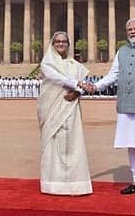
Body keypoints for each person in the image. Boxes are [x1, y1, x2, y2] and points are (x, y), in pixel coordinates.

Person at [81, 18, 135, 199]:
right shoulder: (121, 51)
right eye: (130, 29)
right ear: (126, 32)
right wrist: (95, 87)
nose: (133, 31)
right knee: (132, 144)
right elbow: (112, 76)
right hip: (127, 105)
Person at [37, 31, 92, 195]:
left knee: (72, 144)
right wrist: (78, 84)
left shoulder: (74, 65)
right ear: (52, 45)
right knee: (54, 145)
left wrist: (78, 92)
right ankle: (53, 184)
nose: (61, 44)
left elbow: (77, 86)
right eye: (57, 41)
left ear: (68, 44)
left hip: (71, 108)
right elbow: (57, 78)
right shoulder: (47, 63)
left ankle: (75, 184)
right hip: (52, 109)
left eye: (64, 41)